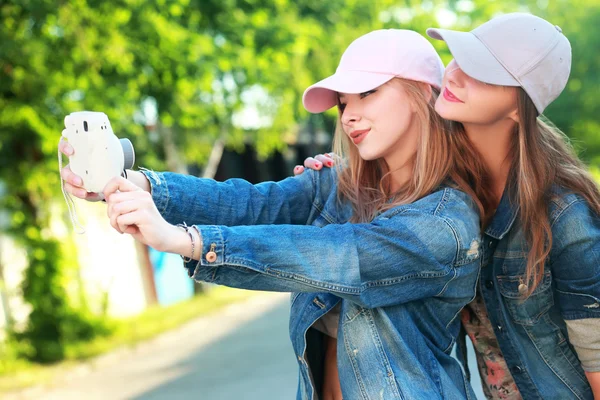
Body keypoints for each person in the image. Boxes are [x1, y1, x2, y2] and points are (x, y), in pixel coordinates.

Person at [61, 30, 484, 399]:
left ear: (422, 93)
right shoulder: (336, 188)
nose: (350, 115)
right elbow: (247, 202)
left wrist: (183, 241)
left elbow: (339, 254)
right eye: (342, 102)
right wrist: (127, 180)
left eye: (367, 93)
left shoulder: (445, 223)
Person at [297, 13, 600, 400]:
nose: (453, 75)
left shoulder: (564, 215)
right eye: (458, 57)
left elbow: (596, 358)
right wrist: (331, 177)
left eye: (481, 70)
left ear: (517, 104)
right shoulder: (439, 195)